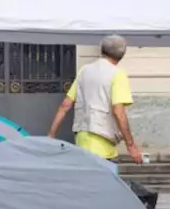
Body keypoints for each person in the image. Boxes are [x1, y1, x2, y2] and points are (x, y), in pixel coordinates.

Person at [47, 34, 143, 172]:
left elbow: (65, 105)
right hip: (102, 144)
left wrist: (51, 135)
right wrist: (131, 145)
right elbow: (118, 111)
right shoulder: (117, 74)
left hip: (82, 140)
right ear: (122, 55)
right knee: (105, 188)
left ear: (101, 50)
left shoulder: (84, 70)